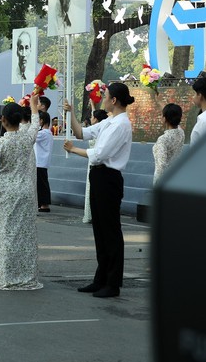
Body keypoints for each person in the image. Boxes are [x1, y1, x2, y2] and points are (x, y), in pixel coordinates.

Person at [63, 82, 135, 298]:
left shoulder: (121, 125)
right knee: (100, 229)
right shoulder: (110, 121)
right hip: (98, 175)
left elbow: (101, 153)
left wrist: (74, 150)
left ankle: (112, 283)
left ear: (114, 101)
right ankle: (101, 278)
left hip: (109, 177)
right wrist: (72, 113)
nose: (103, 99)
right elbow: (81, 133)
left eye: (106, 96)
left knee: (110, 230)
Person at [0, 93, 42, 291]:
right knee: (25, 236)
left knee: (5, 235)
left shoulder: (0, 143)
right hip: (27, 192)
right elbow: (35, 125)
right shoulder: (27, 139)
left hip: (7, 193)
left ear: (3, 120)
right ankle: (25, 275)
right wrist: (33, 107)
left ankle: (6, 276)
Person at [82, 108, 109, 224]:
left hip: (94, 159)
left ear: (96, 119)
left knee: (91, 187)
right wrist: (93, 104)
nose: (91, 119)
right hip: (97, 160)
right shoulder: (104, 129)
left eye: (93, 117)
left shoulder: (97, 131)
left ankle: (91, 214)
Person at [153, 103, 185, 185]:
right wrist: (160, 102)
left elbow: (161, 167)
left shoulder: (163, 140)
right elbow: (173, 114)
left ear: (164, 118)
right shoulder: (181, 132)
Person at [34, 110, 53, 213]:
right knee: (42, 183)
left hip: (39, 162)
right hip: (42, 162)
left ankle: (44, 204)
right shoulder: (47, 133)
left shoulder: (43, 133)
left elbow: (31, 137)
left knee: (41, 184)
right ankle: (43, 203)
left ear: (41, 121)